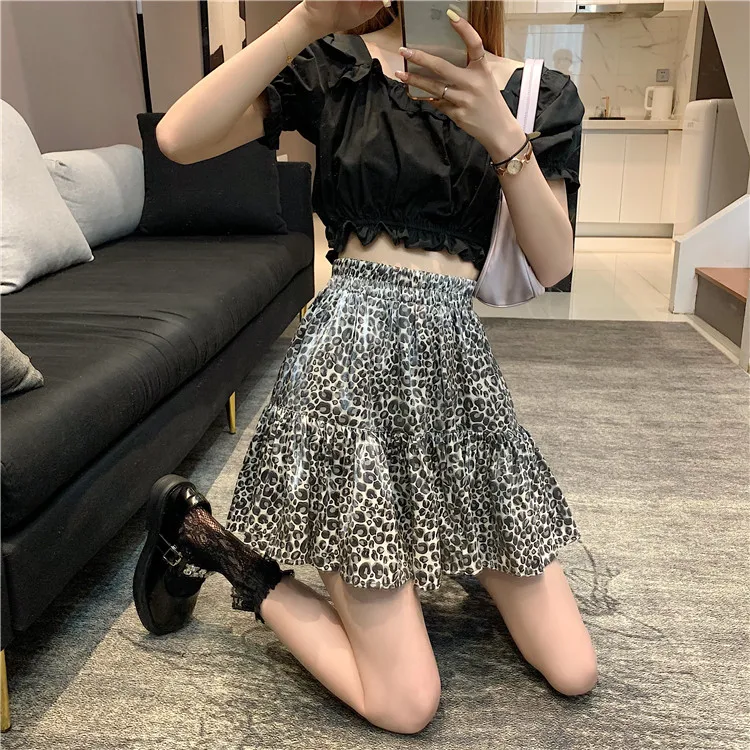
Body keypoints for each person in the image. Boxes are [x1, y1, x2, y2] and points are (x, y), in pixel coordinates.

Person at [133, 0, 596, 735]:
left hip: (457, 385)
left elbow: (554, 261)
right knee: (405, 704)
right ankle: (209, 541)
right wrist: (307, 19)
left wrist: (504, 134)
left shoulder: (538, 92)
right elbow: (177, 138)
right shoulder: (337, 69)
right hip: (346, 379)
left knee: (575, 670)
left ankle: (445, 540)